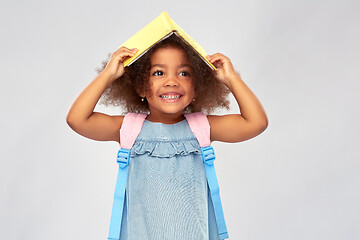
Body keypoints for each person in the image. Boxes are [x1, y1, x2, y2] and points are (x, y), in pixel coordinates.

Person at [66, 35, 268, 239]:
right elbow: (77, 119)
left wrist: (231, 79)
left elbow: (256, 123)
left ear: (196, 88)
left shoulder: (201, 128)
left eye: (184, 73)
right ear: (141, 86)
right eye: (159, 73)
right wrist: (108, 74)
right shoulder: (129, 128)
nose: (172, 81)